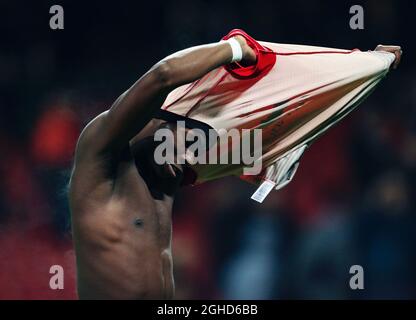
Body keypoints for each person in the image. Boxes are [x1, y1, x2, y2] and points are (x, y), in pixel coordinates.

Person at [69, 29, 401, 299]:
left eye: (194, 150)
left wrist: (369, 66)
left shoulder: (167, 175)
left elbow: (270, 141)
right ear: (164, 123)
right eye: (184, 146)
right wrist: (235, 49)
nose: (187, 159)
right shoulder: (100, 149)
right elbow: (163, 75)